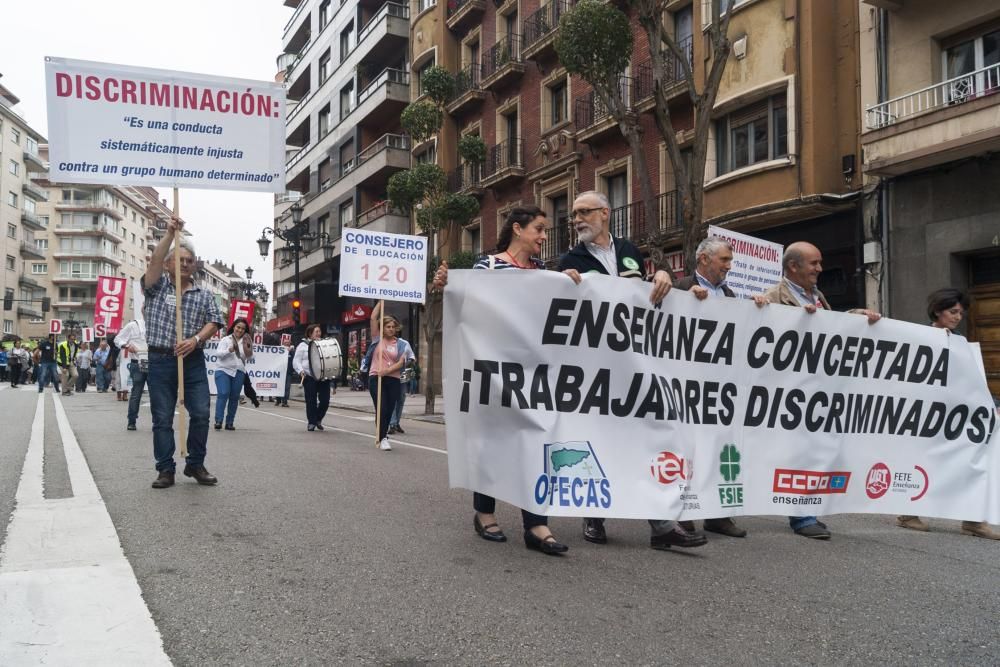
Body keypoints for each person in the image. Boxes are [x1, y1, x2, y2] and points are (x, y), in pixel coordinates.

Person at [558, 191, 706, 551]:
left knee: (644, 441)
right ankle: (593, 517)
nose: (577, 219)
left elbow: (647, 293)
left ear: (605, 214)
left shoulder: (628, 251)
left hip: (636, 367)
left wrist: (667, 276)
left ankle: (661, 526)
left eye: (584, 212)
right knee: (597, 440)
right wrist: (563, 281)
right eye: (574, 214)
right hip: (594, 369)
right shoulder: (570, 259)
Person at [433, 205, 582, 556]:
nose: (544, 237)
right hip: (494, 373)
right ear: (518, 229)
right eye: (539, 229)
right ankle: (484, 513)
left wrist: (573, 283)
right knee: (491, 443)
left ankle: (536, 523)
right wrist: (447, 283)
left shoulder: (544, 272)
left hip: (534, 376)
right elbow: (469, 306)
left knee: (535, 444)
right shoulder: (488, 266)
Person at [755, 241, 881, 539]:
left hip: (816, 391)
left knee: (813, 451)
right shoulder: (772, 298)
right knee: (797, 452)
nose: (820, 269)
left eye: (820, 263)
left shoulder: (817, 296)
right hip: (788, 392)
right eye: (814, 263)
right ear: (793, 267)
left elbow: (829, 328)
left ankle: (808, 507)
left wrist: (856, 315)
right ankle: (802, 516)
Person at [896, 288, 1000, 540]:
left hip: (957, 414)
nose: (957, 317)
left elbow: (972, 380)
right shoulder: (921, 336)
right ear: (938, 311)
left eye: (960, 313)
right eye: (953, 312)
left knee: (975, 459)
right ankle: (908, 513)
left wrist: (992, 403)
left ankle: (974, 519)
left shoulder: (960, 341)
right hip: (927, 414)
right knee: (926, 462)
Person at [671, 236, 749, 539]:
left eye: (730, 261)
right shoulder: (680, 287)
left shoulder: (730, 294)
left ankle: (718, 514)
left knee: (720, 448)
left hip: (721, 388)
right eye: (724, 261)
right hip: (687, 385)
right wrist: (684, 299)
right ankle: (682, 511)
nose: (729, 267)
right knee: (686, 449)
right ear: (704, 259)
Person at [143, 218, 224, 489]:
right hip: (160, 360)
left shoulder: (204, 294)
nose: (185, 264)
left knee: (201, 412)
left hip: (192, 361)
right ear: (168, 265)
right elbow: (153, 261)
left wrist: (196, 339)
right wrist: (169, 234)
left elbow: (214, 322)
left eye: (190, 260)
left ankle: (195, 464)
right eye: (179, 260)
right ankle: (165, 469)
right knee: (162, 417)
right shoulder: (155, 287)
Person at [367, 303, 414, 446]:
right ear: (382, 328)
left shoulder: (401, 344)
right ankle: (383, 438)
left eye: (393, 327)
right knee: (381, 408)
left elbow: (401, 363)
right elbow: (373, 317)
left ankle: (382, 434)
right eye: (388, 326)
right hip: (376, 378)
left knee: (389, 409)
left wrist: (387, 371)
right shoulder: (377, 339)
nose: (391, 329)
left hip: (393, 379)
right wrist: (381, 302)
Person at [214, 318, 254, 431]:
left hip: (239, 372)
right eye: (238, 327)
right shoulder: (226, 340)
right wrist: (229, 350)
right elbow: (218, 354)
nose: (240, 330)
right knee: (223, 393)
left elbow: (251, 358)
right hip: (223, 370)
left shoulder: (247, 341)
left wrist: (248, 351)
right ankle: (218, 420)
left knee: (234, 397)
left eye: (243, 328)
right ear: (234, 327)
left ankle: (229, 422)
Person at [293, 323, 332, 431]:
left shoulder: (324, 344)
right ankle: (312, 422)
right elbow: (296, 360)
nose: (319, 334)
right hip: (309, 376)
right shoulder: (303, 345)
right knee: (311, 401)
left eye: (319, 331)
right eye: (316, 332)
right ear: (310, 334)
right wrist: (301, 371)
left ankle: (318, 418)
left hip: (323, 377)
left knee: (325, 400)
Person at [115, 316, 149, 431]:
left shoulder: (159, 322)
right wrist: (127, 345)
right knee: (136, 393)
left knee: (157, 394)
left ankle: (158, 422)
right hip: (138, 362)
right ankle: (132, 421)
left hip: (155, 363)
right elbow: (118, 339)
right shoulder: (133, 325)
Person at [57, 332, 79, 396]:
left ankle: (67, 388)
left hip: (71, 362)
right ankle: (64, 392)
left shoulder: (76, 345)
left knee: (75, 375)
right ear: (68, 339)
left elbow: (75, 354)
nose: (72, 340)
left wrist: (74, 361)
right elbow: (63, 356)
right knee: (65, 375)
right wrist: (64, 367)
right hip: (62, 363)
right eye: (71, 339)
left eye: (74, 339)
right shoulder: (63, 345)